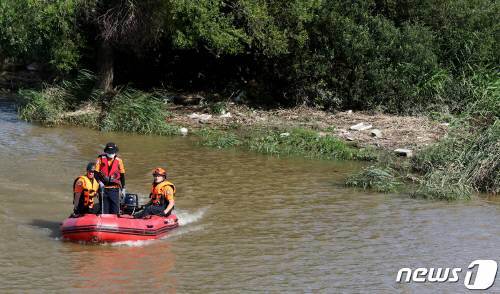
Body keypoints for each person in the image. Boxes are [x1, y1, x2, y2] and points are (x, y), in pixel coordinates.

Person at [95, 142, 126, 214]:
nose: (111, 154)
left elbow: (122, 175)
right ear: (106, 151)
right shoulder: (100, 159)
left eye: (113, 152)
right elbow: (96, 174)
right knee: (104, 211)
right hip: (103, 189)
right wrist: (99, 183)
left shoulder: (119, 161)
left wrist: (123, 188)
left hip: (114, 189)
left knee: (115, 211)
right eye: (109, 152)